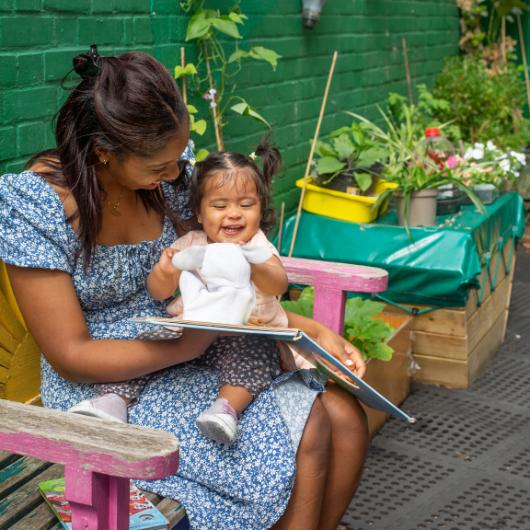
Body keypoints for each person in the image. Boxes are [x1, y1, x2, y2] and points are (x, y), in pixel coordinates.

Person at [0, 46, 369, 530]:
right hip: (103, 385)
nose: (177, 175)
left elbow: (220, 284)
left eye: (178, 159)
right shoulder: (39, 205)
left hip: (190, 341)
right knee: (313, 422)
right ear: (104, 153)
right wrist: (192, 343)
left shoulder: (168, 181)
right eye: (160, 166)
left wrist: (309, 330)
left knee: (346, 415)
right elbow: (72, 354)